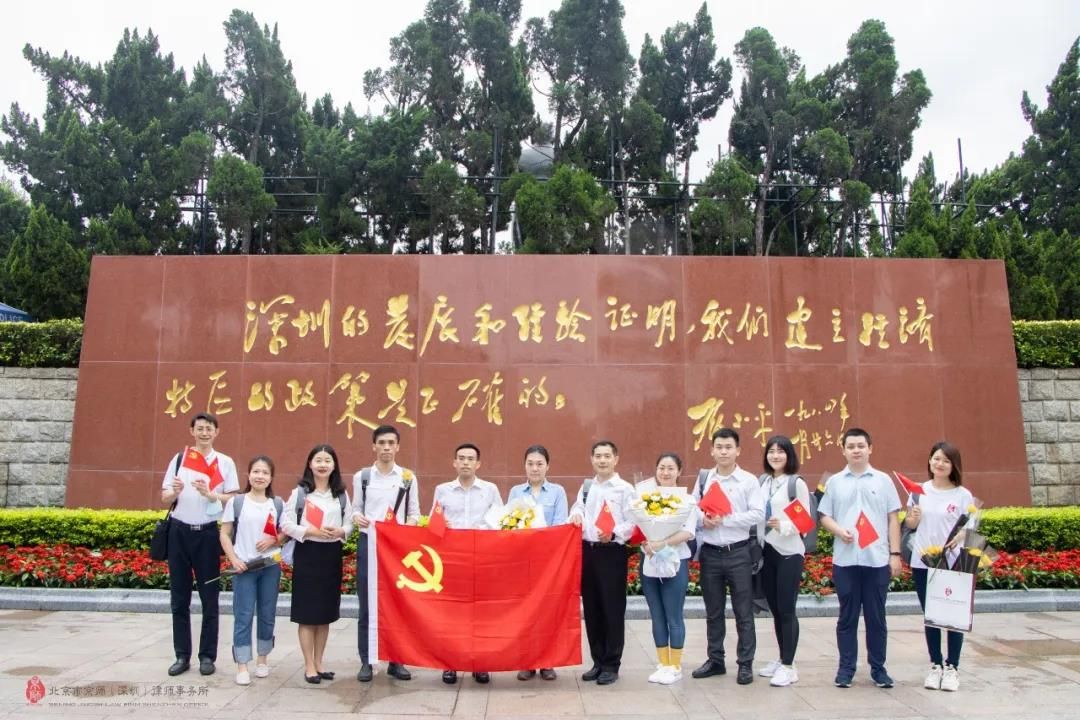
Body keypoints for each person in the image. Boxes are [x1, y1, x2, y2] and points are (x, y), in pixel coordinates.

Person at [818, 427, 902, 689]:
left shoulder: (883, 481)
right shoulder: (834, 482)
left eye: (860, 446)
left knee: (876, 617)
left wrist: (895, 554)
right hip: (845, 561)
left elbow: (893, 518)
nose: (856, 450)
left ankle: (878, 669)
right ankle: (846, 669)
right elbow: (824, 516)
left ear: (870, 449)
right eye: (851, 446)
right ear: (843, 450)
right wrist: (838, 530)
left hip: (876, 560)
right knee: (847, 617)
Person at [160, 412, 239, 677]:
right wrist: (175, 491)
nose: (204, 433)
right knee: (179, 598)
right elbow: (164, 497)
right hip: (179, 532)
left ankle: (207, 656)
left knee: (209, 598)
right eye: (200, 428)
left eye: (209, 429)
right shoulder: (179, 459)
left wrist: (211, 494)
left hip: (207, 534)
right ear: (192, 431)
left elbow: (234, 499)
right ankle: (182, 655)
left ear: (217, 432)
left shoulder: (224, 462)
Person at [691, 428, 765, 685]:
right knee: (713, 612)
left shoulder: (748, 481)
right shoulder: (704, 479)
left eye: (728, 447)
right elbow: (692, 509)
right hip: (710, 553)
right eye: (719, 447)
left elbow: (758, 513)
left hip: (739, 553)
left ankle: (745, 664)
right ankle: (715, 660)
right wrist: (703, 520)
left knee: (743, 612)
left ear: (738, 450)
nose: (723, 452)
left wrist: (726, 519)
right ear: (712, 450)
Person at [431, 442, 503, 685]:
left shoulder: (490, 490)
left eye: (470, 459)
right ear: (454, 462)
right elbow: (433, 523)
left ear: (478, 464)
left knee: (481, 613)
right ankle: (450, 664)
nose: (465, 462)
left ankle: (480, 663)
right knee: (452, 613)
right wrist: (440, 526)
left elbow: (500, 522)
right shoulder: (442, 490)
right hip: (452, 560)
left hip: (482, 559)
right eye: (461, 458)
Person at [352, 425, 419, 683]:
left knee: (397, 604)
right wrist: (358, 518)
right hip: (369, 544)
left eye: (391, 443)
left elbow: (414, 513)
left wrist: (403, 530)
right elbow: (356, 508)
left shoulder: (407, 477)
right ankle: (367, 661)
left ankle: (396, 660)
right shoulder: (363, 477)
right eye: (382, 443)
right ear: (374, 446)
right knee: (367, 603)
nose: (386, 448)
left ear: (398, 447)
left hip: (396, 548)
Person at [905, 441, 974, 692]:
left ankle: (952, 667)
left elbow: (971, 527)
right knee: (931, 616)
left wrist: (963, 534)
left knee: (954, 616)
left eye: (945, 460)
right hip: (923, 562)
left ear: (954, 465)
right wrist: (912, 519)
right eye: (936, 458)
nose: (940, 464)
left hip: (953, 563)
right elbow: (910, 526)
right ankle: (935, 665)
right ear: (929, 461)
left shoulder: (963, 495)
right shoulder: (918, 491)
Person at [281, 444, 352, 684]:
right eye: (318, 460)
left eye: (327, 460)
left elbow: (350, 523)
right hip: (308, 554)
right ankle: (309, 665)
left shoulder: (340, 494)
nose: (323, 465)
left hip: (331, 555)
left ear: (334, 465)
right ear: (310, 464)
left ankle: (320, 663)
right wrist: (309, 531)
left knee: (325, 614)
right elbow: (286, 524)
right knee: (307, 614)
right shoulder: (300, 493)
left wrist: (341, 531)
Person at [569, 440, 635, 686]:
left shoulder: (625, 489)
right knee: (593, 609)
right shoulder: (587, 486)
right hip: (588, 551)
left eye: (607, 456)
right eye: (598, 456)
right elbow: (578, 508)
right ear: (592, 459)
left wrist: (615, 532)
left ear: (616, 459)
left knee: (612, 609)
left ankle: (611, 664)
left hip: (612, 552)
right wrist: (576, 514)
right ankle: (597, 661)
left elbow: (633, 522)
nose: (602, 460)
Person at [219, 456, 286, 686]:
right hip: (244, 568)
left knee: (267, 615)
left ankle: (262, 659)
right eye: (256, 471)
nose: (260, 476)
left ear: (271, 477)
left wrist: (273, 540)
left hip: (269, 567)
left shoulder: (277, 504)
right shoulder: (237, 502)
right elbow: (224, 534)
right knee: (243, 615)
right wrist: (234, 559)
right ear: (248, 475)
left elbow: (286, 532)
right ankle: (242, 664)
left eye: (265, 472)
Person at [508, 444, 568, 681]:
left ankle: (547, 662)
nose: (535, 468)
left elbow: (560, 525)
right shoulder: (515, 492)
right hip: (522, 562)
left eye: (539, 464)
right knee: (525, 613)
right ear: (524, 466)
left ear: (547, 466)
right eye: (530, 464)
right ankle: (527, 662)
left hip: (548, 563)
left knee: (547, 612)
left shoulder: (557, 492)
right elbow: (509, 523)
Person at [757, 436, 812, 688]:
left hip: (789, 551)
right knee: (776, 609)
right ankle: (782, 658)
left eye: (781, 451)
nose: (775, 456)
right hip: (767, 550)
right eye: (771, 451)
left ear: (789, 455)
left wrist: (784, 525)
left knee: (787, 608)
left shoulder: (795, 483)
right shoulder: (763, 482)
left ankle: (789, 666)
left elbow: (805, 521)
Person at [640, 453, 697, 686]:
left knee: (673, 615)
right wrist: (646, 542)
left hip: (676, 562)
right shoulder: (645, 499)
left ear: (679, 471)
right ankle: (663, 663)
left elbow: (688, 532)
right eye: (661, 468)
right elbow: (638, 527)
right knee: (657, 615)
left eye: (670, 468)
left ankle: (675, 666)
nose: (665, 472)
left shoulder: (688, 501)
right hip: (651, 562)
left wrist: (662, 543)